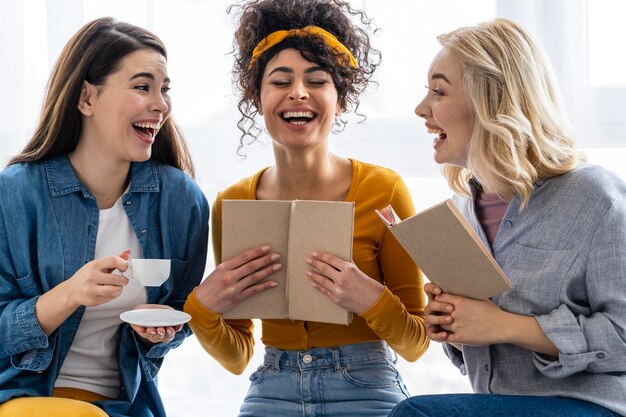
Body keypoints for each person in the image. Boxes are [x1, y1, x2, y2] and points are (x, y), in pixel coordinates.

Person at [182, 0, 429, 415]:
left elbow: (416, 343)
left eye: (317, 80)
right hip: (272, 386)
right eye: (280, 81)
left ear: (341, 98)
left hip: (367, 384)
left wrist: (370, 300)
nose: (298, 92)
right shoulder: (232, 202)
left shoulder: (384, 190)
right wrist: (201, 310)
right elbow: (239, 355)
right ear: (257, 97)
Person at [389, 18, 626, 417]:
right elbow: (483, 358)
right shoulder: (463, 209)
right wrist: (456, 326)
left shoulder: (593, 197)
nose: (421, 108)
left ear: (490, 101)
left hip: (592, 405)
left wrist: (504, 325)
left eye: (438, 91)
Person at [0, 17, 209, 417]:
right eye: (141, 86)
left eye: (164, 90)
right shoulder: (15, 194)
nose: (160, 104)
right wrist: (69, 294)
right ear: (87, 99)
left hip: (127, 406)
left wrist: (160, 333)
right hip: (21, 399)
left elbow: (180, 315)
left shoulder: (181, 201)